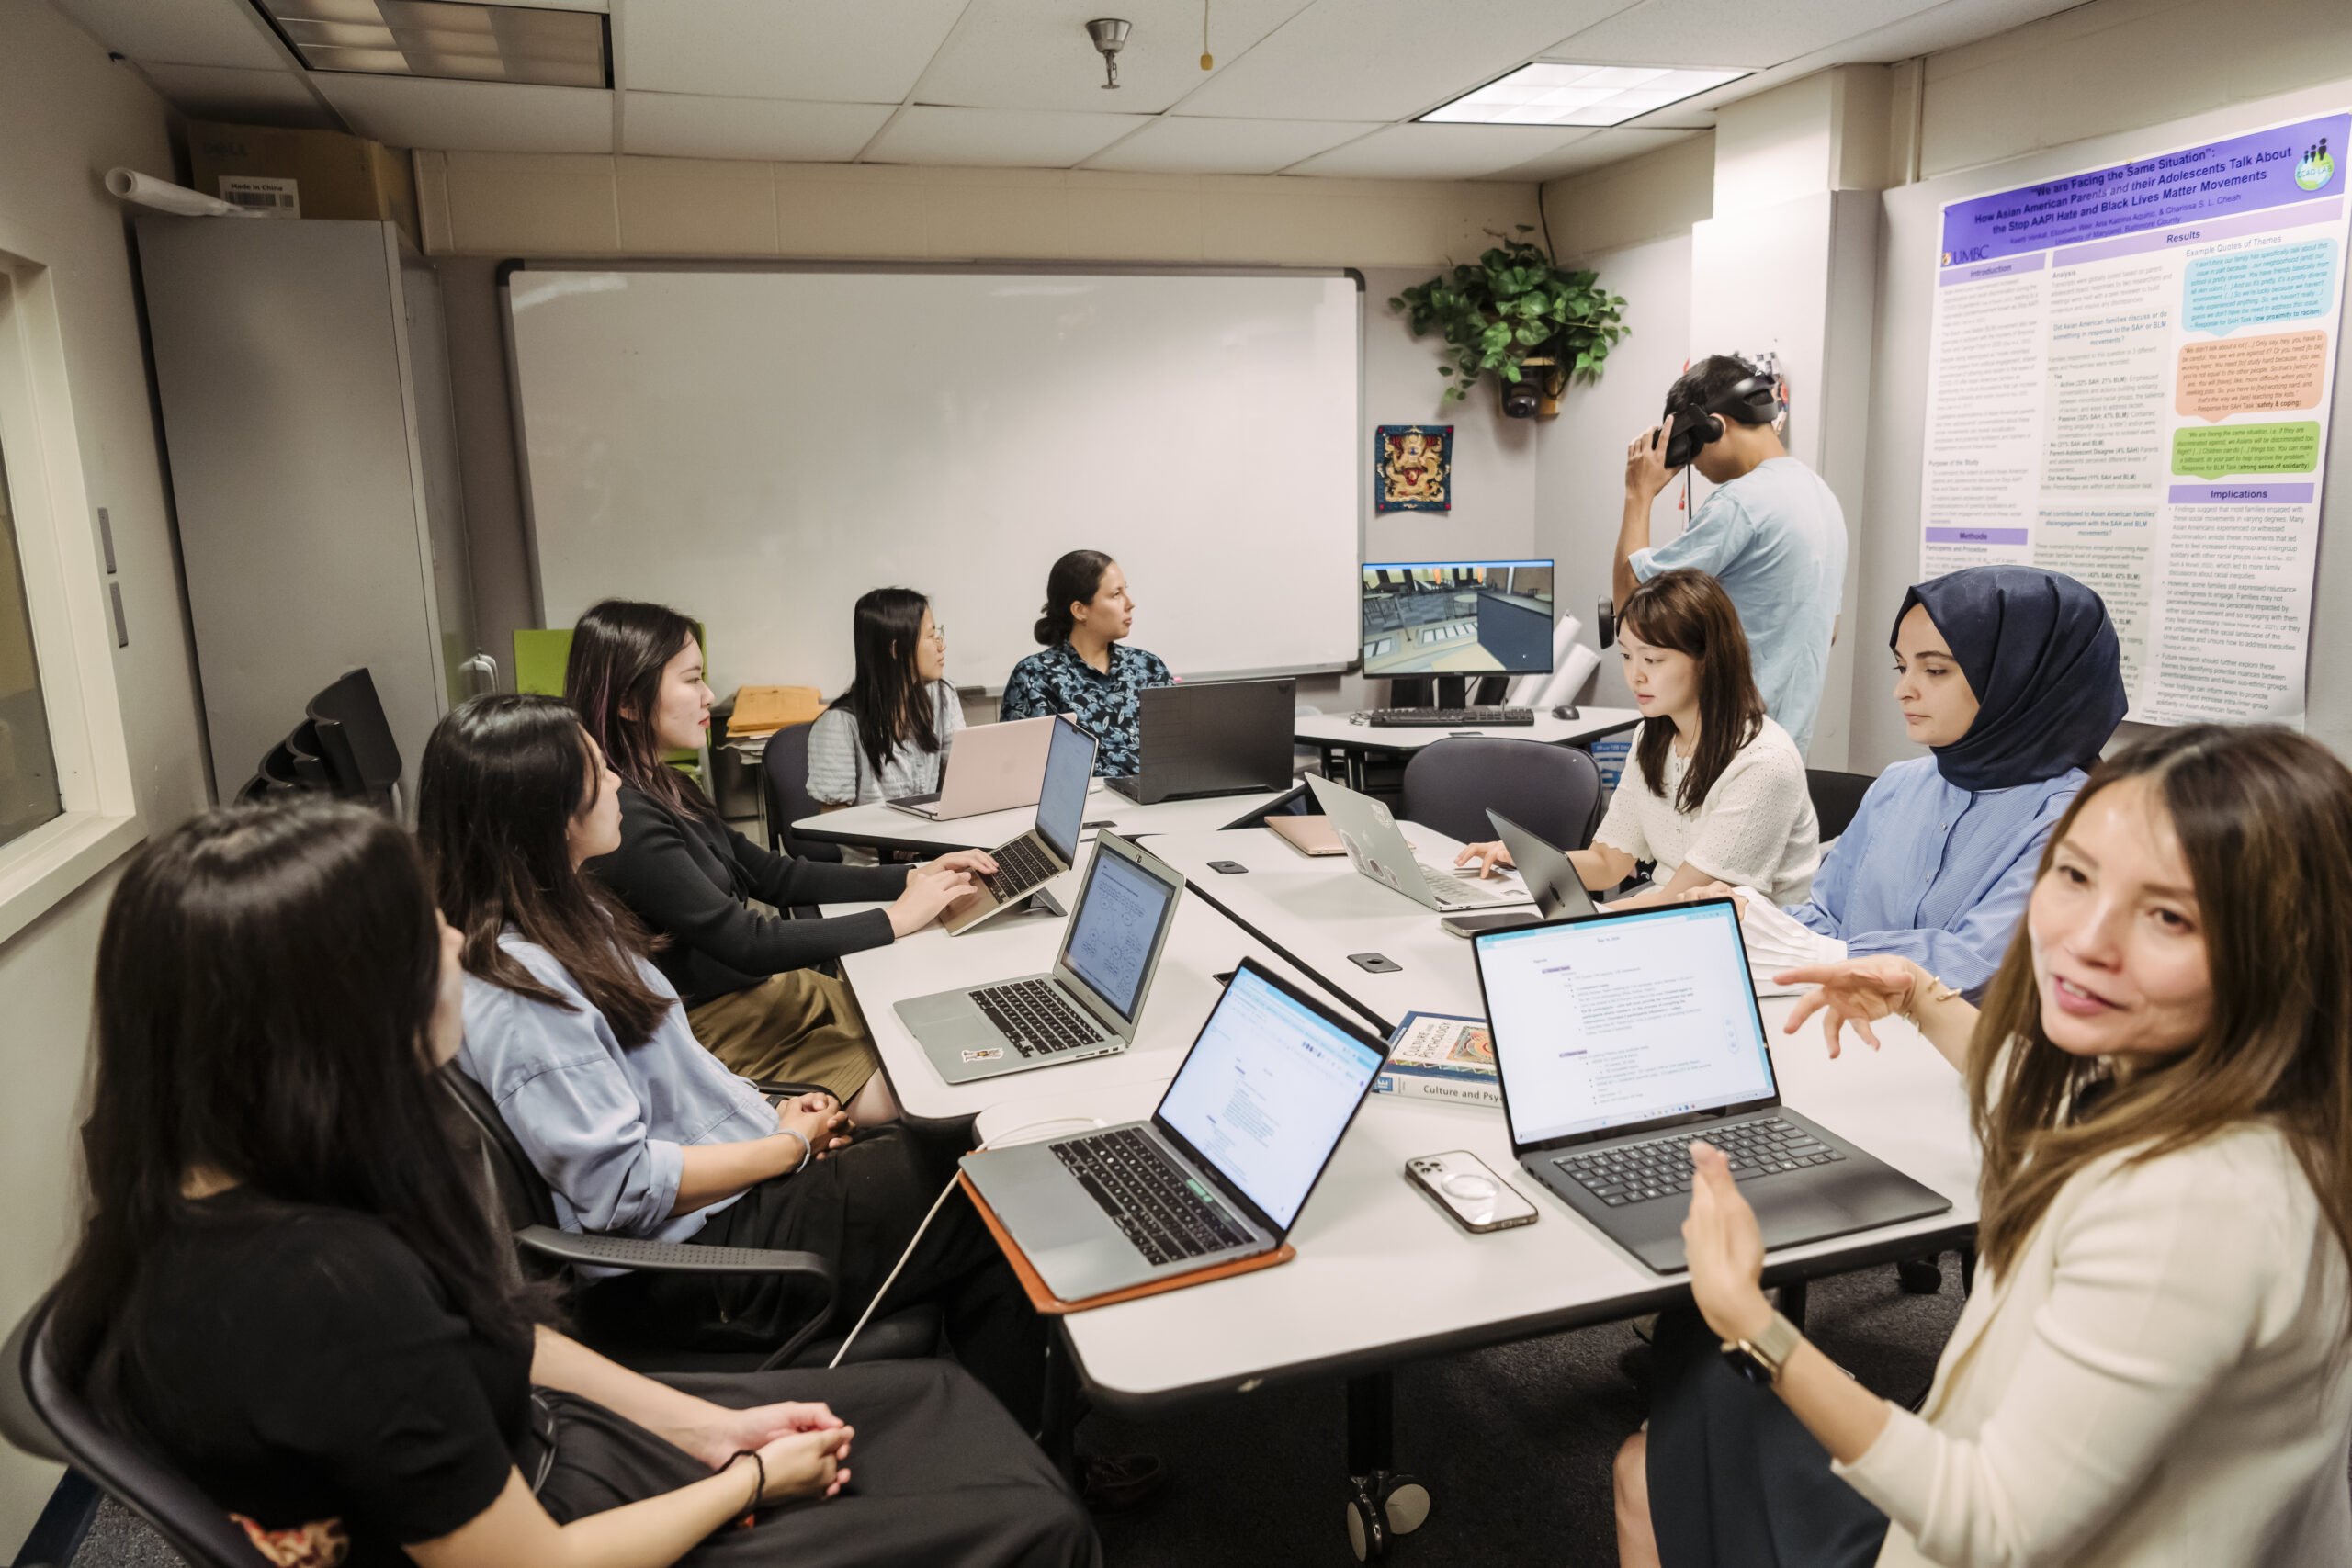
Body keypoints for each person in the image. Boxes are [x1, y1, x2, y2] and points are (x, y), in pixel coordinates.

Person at [46, 796, 1098, 1568]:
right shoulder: (328, 1292)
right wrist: (746, 1478)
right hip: (559, 1520)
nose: (459, 942)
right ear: (334, 1007)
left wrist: (707, 1426)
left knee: (946, 1397)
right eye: (427, 932)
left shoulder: (240, 1184)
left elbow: (495, 1329)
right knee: (1033, 1521)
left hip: (548, 1448)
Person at [1619, 724, 2352, 1568]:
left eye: (2168, 915)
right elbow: (2045, 1099)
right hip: (2070, 1490)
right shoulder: (2228, 1091)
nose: (2085, 939)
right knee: (1658, 1449)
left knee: (1671, 1430)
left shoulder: (2192, 1212)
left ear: (2281, 948)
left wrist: (1755, 1325)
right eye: (2074, 875)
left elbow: (1992, 1527)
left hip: (1988, 1531)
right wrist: (1921, 997)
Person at [419, 694, 1052, 1435]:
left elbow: (672, 1081)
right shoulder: (526, 993)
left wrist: (776, 1109)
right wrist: (783, 1147)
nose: (619, 782)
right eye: (597, 771)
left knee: (956, 1148)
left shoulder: (569, 918)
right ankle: (1018, 1447)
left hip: (732, 1199)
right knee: (995, 1196)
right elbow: (619, 1193)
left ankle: (984, 1424)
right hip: (705, 1266)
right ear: (545, 809)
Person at [567, 599, 995, 1125]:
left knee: (946, 1023)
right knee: (933, 1079)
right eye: (692, 680)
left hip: (771, 998)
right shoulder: (624, 816)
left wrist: (912, 876)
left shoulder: (666, 785)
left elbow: (774, 874)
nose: (707, 696)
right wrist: (898, 918)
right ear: (630, 703)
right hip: (728, 1027)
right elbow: (744, 941)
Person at [1699, 565, 2128, 999]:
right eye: (1901, 667)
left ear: (2020, 677)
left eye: (1935, 671)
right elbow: (1827, 915)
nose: (1902, 690)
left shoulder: (2080, 820)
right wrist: (1747, 927)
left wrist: (1812, 956)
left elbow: (1976, 968)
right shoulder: (1898, 784)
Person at [1456, 569, 1818, 908]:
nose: (1635, 676)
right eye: (1627, 656)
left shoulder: (1764, 762)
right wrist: (1527, 860)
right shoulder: (1653, 736)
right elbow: (1607, 861)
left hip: (1746, 942)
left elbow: (1685, 899)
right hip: (1668, 917)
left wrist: (1581, 925)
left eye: (1653, 660)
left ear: (1708, 659)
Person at [1614, 355, 1847, 757]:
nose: (1693, 465)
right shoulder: (1821, 496)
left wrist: (1639, 494)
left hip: (1724, 749)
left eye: (1690, 450)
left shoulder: (1742, 503)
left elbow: (1634, 614)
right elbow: (1829, 630)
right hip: (1785, 751)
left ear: (1714, 425)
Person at [1000, 550, 1171, 778]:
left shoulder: (1148, 667)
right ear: (1080, 610)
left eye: (1125, 591)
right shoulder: (1035, 676)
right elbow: (1025, 774)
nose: (1130, 604)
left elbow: (1179, 751)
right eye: (1116, 594)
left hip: (1159, 804)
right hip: (1085, 810)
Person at [806, 588, 962, 813]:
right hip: (877, 848)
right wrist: (895, 847)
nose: (941, 645)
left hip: (934, 842)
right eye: (930, 636)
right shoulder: (839, 724)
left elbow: (957, 782)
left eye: (939, 633)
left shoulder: (943, 695)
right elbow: (835, 824)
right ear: (896, 649)